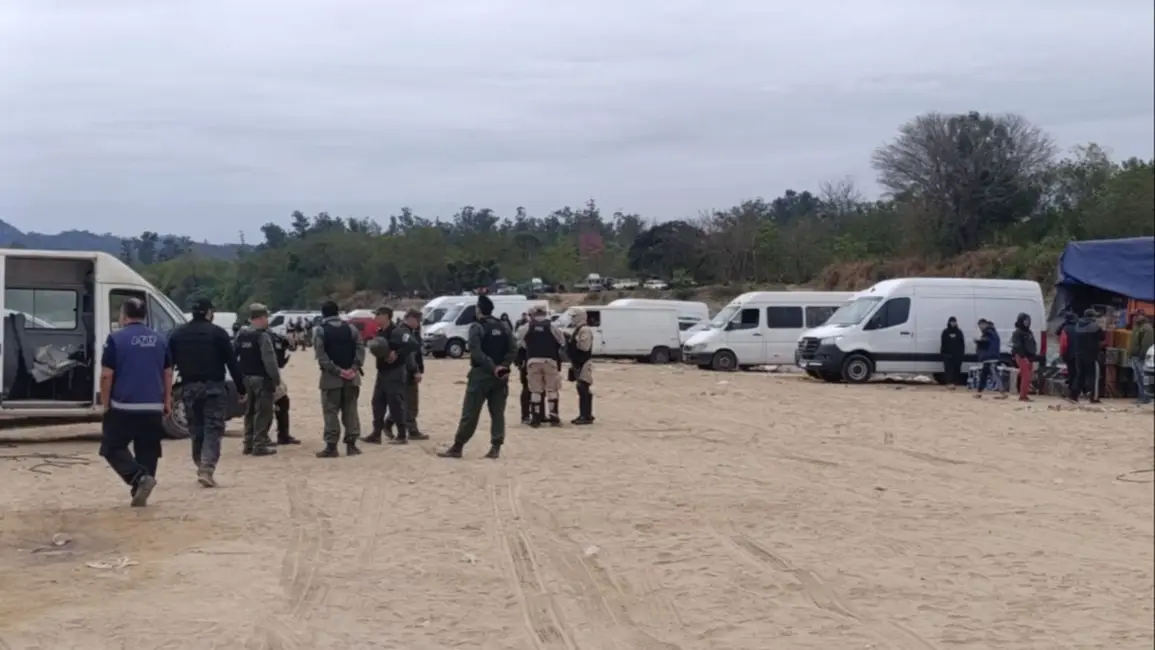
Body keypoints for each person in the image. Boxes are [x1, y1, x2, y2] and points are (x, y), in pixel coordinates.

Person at [99, 297, 171, 507]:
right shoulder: (160, 339)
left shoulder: (115, 339)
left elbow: (106, 375)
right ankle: (140, 491)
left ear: (124, 315)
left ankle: (138, 479)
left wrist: (106, 403)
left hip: (124, 406)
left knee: (112, 447)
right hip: (153, 406)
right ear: (145, 316)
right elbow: (168, 373)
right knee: (148, 449)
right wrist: (166, 401)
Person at [167, 297, 246, 487]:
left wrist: (166, 392)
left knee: (196, 428)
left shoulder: (177, 334)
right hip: (214, 387)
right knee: (213, 427)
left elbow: (167, 366)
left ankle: (200, 462)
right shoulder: (218, 334)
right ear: (209, 313)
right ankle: (207, 466)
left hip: (188, 387)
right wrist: (241, 389)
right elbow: (232, 363)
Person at [438, 294, 517, 459]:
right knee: (497, 412)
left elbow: (476, 351)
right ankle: (496, 446)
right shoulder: (504, 326)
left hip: (481, 374)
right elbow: (513, 348)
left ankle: (458, 446)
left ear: (479, 309)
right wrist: (503, 365)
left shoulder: (477, 327)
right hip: (501, 376)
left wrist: (492, 367)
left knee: (470, 412)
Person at [314, 300, 366, 457]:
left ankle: (331, 446)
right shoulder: (351, 328)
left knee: (331, 412)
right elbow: (360, 349)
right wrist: (354, 368)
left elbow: (321, 356)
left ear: (323, 314)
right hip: (352, 377)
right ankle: (351, 445)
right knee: (351, 411)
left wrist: (337, 371)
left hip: (331, 379)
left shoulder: (321, 331)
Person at [235, 303, 281, 456]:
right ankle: (259, 444)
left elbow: (234, 355)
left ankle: (248, 443)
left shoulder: (242, 335)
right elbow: (270, 361)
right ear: (261, 318)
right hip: (261, 379)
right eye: (266, 317)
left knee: (249, 411)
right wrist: (276, 380)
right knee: (263, 412)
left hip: (246, 378)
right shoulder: (262, 336)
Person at [365, 306, 413, 444]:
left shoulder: (397, 331)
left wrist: (397, 354)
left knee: (395, 403)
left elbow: (412, 344)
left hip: (395, 371)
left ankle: (402, 435)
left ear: (386, 316)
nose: (375, 317)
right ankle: (376, 433)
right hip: (382, 371)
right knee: (377, 402)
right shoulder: (380, 332)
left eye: (378, 315)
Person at [517, 305, 567, 427]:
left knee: (535, 390)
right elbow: (562, 341)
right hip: (550, 360)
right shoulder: (552, 326)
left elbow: (519, 341)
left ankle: (536, 417)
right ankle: (553, 415)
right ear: (545, 313)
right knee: (552, 389)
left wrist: (529, 347)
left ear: (533, 314)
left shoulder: (527, 326)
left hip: (532, 361)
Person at [388, 308, 428, 441]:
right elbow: (410, 355)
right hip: (407, 372)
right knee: (410, 401)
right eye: (418, 320)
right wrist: (415, 370)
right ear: (410, 318)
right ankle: (412, 429)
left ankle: (389, 423)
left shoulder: (407, 331)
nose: (419, 323)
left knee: (403, 400)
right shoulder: (405, 333)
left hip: (404, 371)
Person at [269, 329, 301, 446]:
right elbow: (279, 362)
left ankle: (282, 436)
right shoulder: (268, 337)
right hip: (267, 377)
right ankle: (263, 438)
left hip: (267, 375)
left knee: (281, 402)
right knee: (274, 405)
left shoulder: (271, 336)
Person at [566, 307, 596, 424]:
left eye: (574, 317)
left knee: (583, 388)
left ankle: (585, 415)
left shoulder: (584, 330)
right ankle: (585, 414)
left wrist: (574, 341)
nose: (572, 319)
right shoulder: (578, 330)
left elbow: (585, 347)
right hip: (578, 362)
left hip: (584, 362)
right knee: (581, 388)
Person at [1068, 308, 1105, 403]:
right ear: (1092, 317)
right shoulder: (1095, 327)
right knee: (1094, 377)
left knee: (1080, 376)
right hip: (1091, 355)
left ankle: (1073, 396)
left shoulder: (1077, 326)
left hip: (1078, 355)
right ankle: (1094, 397)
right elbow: (1102, 339)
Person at [973, 319, 1005, 399]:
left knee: (994, 375)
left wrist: (978, 341)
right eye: (979, 326)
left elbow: (986, 341)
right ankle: (979, 392)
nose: (980, 327)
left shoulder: (988, 332)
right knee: (984, 375)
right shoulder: (992, 332)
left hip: (990, 358)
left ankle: (1003, 393)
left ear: (985, 324)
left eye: (981, 325)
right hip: (989, 358)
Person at [1010, 313, 1038, 402]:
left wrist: (1033, 355)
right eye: (1025, 321)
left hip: (1030, 356)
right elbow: (1018, 346)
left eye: (1028, 321)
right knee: (1026, 375)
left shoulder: (1029, 332)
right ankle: (1023, 396)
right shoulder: (1017, 332)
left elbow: (1033, 344)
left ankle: (1023, 392)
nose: (1027, 322)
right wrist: (1023, 356)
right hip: (1021, 356)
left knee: (1028, 376)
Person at [1129, 312, 1153, 405]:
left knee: (1143, 377)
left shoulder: (1147, 328)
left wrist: (1142, 355)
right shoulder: (1137, 327)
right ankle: (1142, 396)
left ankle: (1146, 397)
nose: (1135, 317)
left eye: (1137, 315)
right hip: (1135, 357)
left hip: (1141, 357)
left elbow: (1147, 343)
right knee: (1138, 378)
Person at [939, 317, 965, 390]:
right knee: (948, 370)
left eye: (954, 322)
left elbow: (962, 344)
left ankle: (955, 383)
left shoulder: (959, 332)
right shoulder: (945, 332)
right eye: (952, 322)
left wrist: (961, 354)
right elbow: (943, 343)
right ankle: (949, 383)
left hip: (957, 355)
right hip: (947, 355)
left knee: (956, 370)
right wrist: (943, 353)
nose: (953, 323)